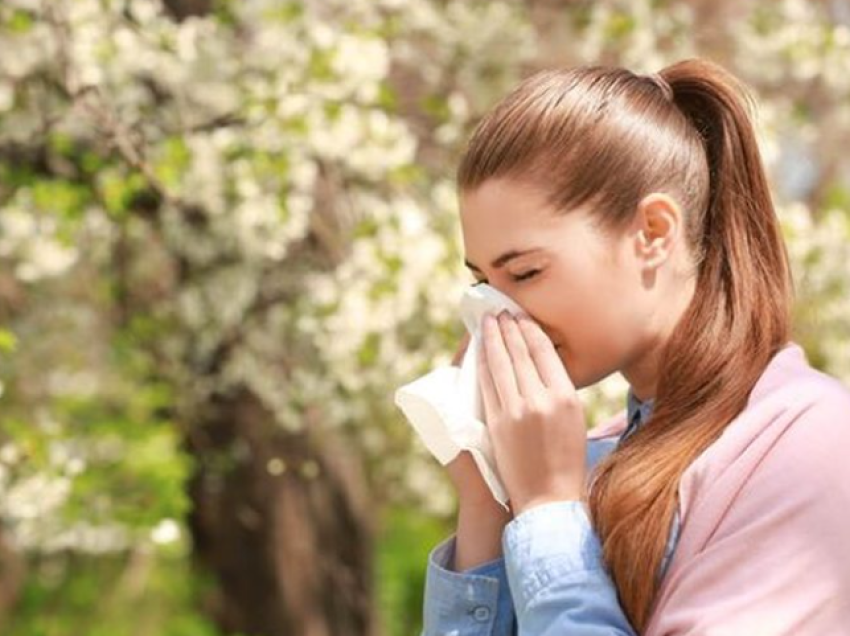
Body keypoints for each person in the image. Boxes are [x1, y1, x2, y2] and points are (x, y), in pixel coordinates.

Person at [419, 58, 850, 635]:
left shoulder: (802, 446)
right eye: (482, 284)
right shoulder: (589, 463)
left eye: (523, 274)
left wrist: (548, 511)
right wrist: (487, 502)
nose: (498, 316)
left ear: (652, 233)